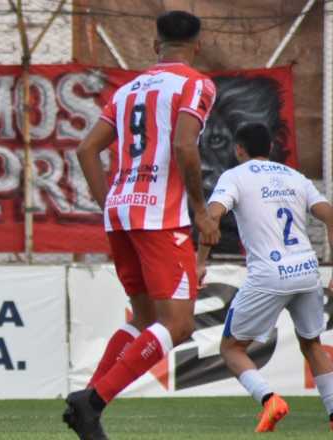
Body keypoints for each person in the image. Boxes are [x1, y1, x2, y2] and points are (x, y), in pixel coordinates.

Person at [67, 10, 220, 439]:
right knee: (178, 324)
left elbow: (85, 150)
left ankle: (88, 403)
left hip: (121, 212)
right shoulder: (196, 84)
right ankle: (92, 401)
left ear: (155, 46)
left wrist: (108, 204)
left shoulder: (128, 89)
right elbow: (185, 144)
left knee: (145, 316)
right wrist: (200, 210)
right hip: (160, 217)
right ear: (198, 45)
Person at [196, 123, 333, 432]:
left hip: (270, 275)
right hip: (307, 270)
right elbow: (329, 214)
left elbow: (213, 216)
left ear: (238, 149)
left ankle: (270, 399)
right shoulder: (295, 177)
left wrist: (200, 263)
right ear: (270, 149)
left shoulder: (234, 177)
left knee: (231, 349)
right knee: (312, 343)